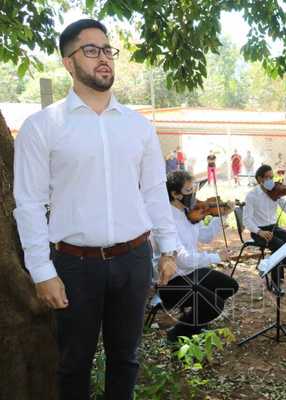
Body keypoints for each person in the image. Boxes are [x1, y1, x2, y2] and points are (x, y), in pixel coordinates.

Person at [12, 19, 178, 400]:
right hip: (74, 265)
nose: (103, 58)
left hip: (133, 258)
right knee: (73, 363)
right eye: (90, 50)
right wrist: (41, 271)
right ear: (68, 63)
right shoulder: (42, 127)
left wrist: (168, 248)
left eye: (107, 50)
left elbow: (154, 190)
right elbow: (30, 203)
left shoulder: (138, 126)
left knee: (127, 359)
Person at [153, 171, 238, 342]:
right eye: (188, 190)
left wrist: (223, 215)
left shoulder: (187, 212)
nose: (194, 194)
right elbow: (182, 259)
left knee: (229, 286)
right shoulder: (166, 220)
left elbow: (205, 236)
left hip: (189, 272)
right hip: (170, 281)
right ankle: (177, 334)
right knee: (215, 303)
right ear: (175, 194)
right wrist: (216, 257)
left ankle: (198, 321)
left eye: (194, 189)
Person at [243, 165, 286, 294]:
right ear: (259, 179)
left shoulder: (276, 192)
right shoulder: (252, 195)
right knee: (279, 246)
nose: (271, 181)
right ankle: (274, 284)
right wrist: (259, 232)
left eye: (272, 177)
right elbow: (247, 220)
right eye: (267, 178)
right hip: (259, 231)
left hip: (274, 228)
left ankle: (269, 265)